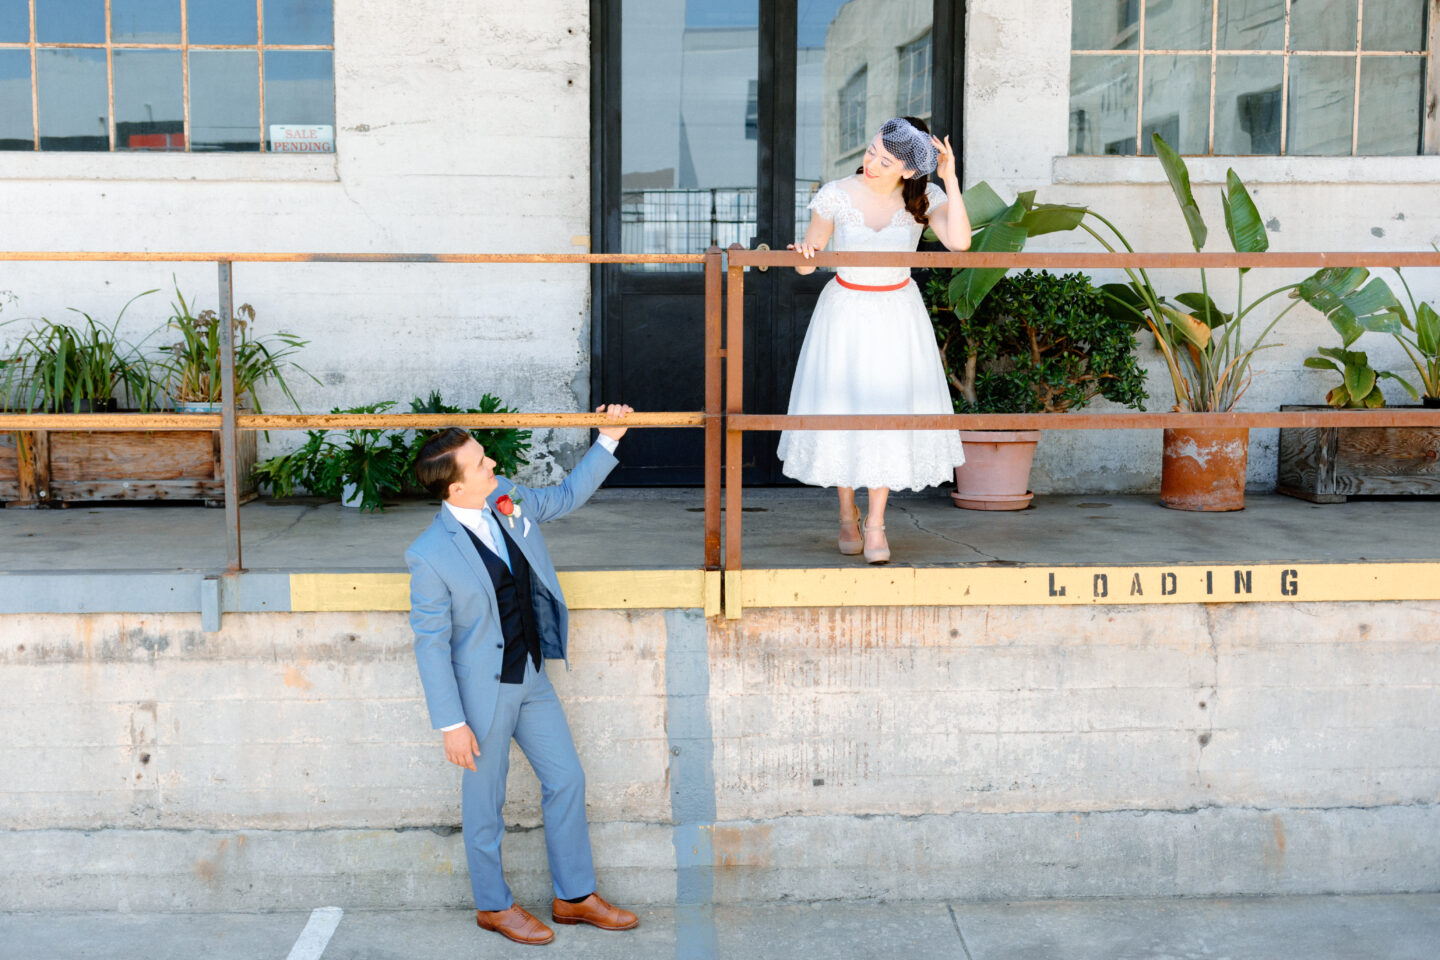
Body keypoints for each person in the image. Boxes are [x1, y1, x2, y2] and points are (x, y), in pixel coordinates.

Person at [405, 405, 639, 946]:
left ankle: (574, 897)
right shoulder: (429, 555)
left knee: (567, 779)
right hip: (481, 697)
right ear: (455, 489)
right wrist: (450, 723)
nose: (493, 466)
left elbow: (562, 498)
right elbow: (430, 646)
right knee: (484, 804)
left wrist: (608, 439)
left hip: (532, 676)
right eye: (481, 464)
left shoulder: (503, 499)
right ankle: (493, 906)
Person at [779, 116, 971, 563]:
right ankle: (847, 512)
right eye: (870, 151)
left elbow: (959, 241)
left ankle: (878, 522)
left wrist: (951, 177)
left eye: (885, 160)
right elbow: (809, 262)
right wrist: (804, 256)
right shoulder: (835, 195)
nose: (871, 162)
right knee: (843, 407)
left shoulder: (926, 196)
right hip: (844, 311)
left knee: (889, 411)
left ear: (907, 169)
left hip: (897, 313)